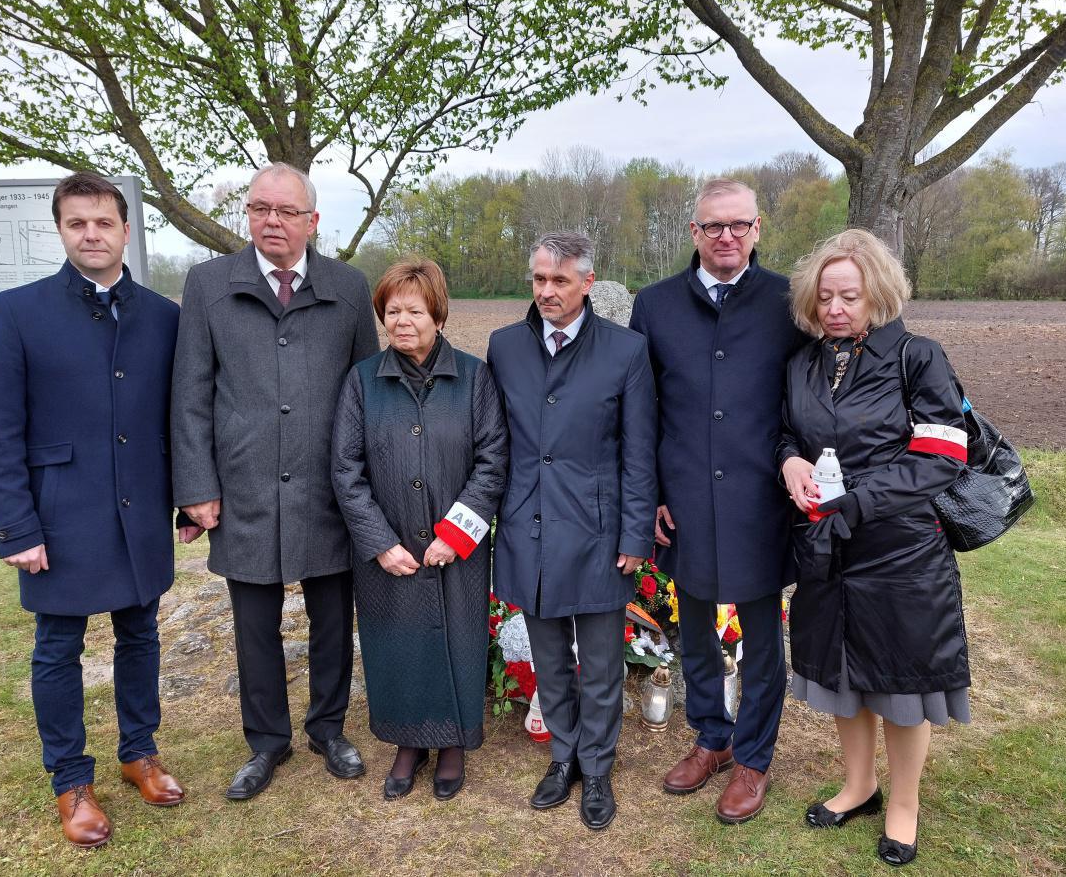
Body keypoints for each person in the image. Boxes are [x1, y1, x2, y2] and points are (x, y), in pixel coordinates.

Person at [0, 172, 185, 848]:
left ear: (126, 230)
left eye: (103, 222)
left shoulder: (163, 315)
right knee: (57, 650)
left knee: (141, 633)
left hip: (140, 511)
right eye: (77, 224)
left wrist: (186, 497)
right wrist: (16, 525)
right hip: (59, 515)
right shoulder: (18, 311)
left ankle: (139, 752)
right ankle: (71, 780)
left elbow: (178, 417)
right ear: (61, 230)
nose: (92, 234)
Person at [171, 162, 380, 800]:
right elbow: (190, 395)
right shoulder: (208, 285)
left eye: (288, 211)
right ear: (248, 215)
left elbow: (369, 393)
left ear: (313, 221)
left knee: (330, 619)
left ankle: (328, 728)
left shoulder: (346, 287)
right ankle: (266, 742)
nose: (272, 221)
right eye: (261, 208)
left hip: (329, 488)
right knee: (254, 623)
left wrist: (369, 486)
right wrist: (195, 485)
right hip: (245, 488)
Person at [779, 228, 971, 867]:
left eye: (849, 297)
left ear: (877, 295)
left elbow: (944, 452)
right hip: (826, 547)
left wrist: (858, 500)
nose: (836, 309)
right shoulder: (803, 362)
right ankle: (859, 785)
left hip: (900, 548)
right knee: (841, 674)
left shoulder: (918, 356)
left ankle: (904, 805)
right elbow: (787, 432)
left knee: (899, 684)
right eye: (826, 296)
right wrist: (790, 466)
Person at [629, 177, 807, 824]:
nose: (726, 236)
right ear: (694, 233)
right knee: (694, 630)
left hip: (762, 501)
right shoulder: (654, 306)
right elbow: (640, 409)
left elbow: (805, 400)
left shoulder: (790, 302)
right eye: (713, 226)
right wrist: (647, 494)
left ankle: (754, 757)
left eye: (739, 225)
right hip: (684, 503)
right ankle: (713, 735)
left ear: (758, 228)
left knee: (762, 638)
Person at [488, 232, 656, 831]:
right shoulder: (504, 347)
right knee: (550, 655)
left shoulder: (625, 351)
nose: (547, 291)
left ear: (587, 283)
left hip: (598, 531)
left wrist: (636, 536)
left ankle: (598, 765)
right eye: (539, 280)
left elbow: (639, 453)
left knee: (604, 662)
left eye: (560, 281)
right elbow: (496, 444)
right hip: (527, 527)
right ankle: (564, 758)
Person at [331, 257, 507, 801]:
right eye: (391, 310)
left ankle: (453, 744)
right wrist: (380, 542)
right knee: (396, 643)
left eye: (413, 310)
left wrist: (456, 535)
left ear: (437, 313)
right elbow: (345, 467)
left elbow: (493, 459)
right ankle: (408, 743)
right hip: (391, 549)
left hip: (459, 548)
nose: (401, 320)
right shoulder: (362, 381)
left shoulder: (475, 377)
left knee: (458, 636)